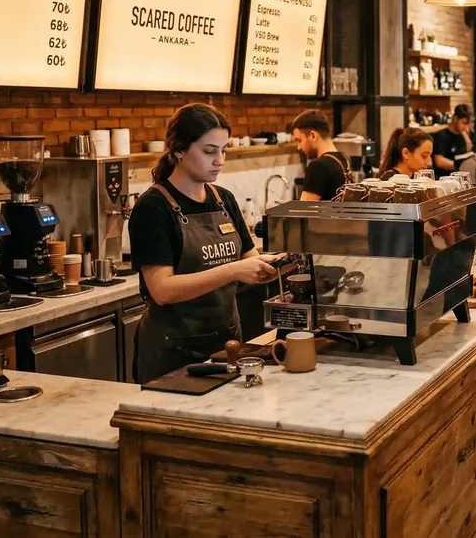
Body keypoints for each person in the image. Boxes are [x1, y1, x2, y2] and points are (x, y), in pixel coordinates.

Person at [129, 104, 275, 383]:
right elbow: (162, 290)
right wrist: (233, 270)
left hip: (226, 346)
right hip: (174, 352)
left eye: (223, 150)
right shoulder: (153, 207)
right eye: (209, 151)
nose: (219, 160)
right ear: (178, 150)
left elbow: (250, 258)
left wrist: (275, 266)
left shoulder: (223, 199)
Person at [291, 109, 349, 201]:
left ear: (313, 135)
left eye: (300, 140)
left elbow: (304, 208)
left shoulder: (318, 167)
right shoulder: (343, 160)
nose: (299, 147)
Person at [432, 105, 474, 179]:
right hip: (444, 178)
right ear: (455, 119)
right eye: (464, 123)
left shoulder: (464, 136)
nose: (466, 128)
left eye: (468, 124)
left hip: (461, 177)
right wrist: (460, 166)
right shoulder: (441, 135)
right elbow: (439, 161)